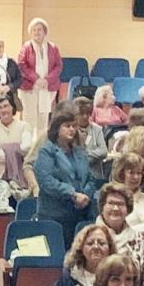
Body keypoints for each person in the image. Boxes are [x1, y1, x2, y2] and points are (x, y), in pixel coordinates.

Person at [34, 107, 97, 251]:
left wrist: (85, 195)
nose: (72, 130)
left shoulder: (80, 152)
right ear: (57, 129)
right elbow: (46, 181)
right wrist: (72, 194)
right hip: (54, 215)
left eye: (74, 126)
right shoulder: (47, 151)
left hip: (80, 213)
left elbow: (91, 178)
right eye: (67, 126)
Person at [17, 18, 62, 131]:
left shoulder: (53, 47)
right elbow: (21, 65)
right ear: (30, 32)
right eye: (34, 30)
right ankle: (28, 146)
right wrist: (36, 79)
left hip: (47, 87)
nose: (36, 32)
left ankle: (41, 146)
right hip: (30, 87)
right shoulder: (26, 47)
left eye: (39, 30)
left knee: (44, 117)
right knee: (30, 118)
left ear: (44, 32)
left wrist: (47, 80)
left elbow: (58, 66)